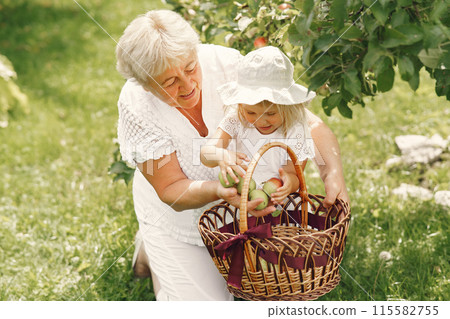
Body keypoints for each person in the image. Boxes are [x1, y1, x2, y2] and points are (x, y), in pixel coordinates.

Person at [115, 9, 349, 301]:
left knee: (276, 289)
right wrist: (218, 190)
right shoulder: (138, 103)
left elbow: (306, 123)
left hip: (249, 212)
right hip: (179, 220)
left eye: (190, 68)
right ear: (145, 84)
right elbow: (170, 188)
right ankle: (153, 247)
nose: (187, 86)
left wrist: (333, 174)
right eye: (168, 82)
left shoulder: (228, 66)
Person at [200, 46, 316, 208]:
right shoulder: (236, 117)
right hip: (242, 206)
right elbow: (206, 154)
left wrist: (289, 183)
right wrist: (220, 155)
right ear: (241, 105)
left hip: (282, 207)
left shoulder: (295, 127)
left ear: (288, 107)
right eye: (251, 112)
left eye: (271, 114)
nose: (261, 122)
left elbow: (294, 175)